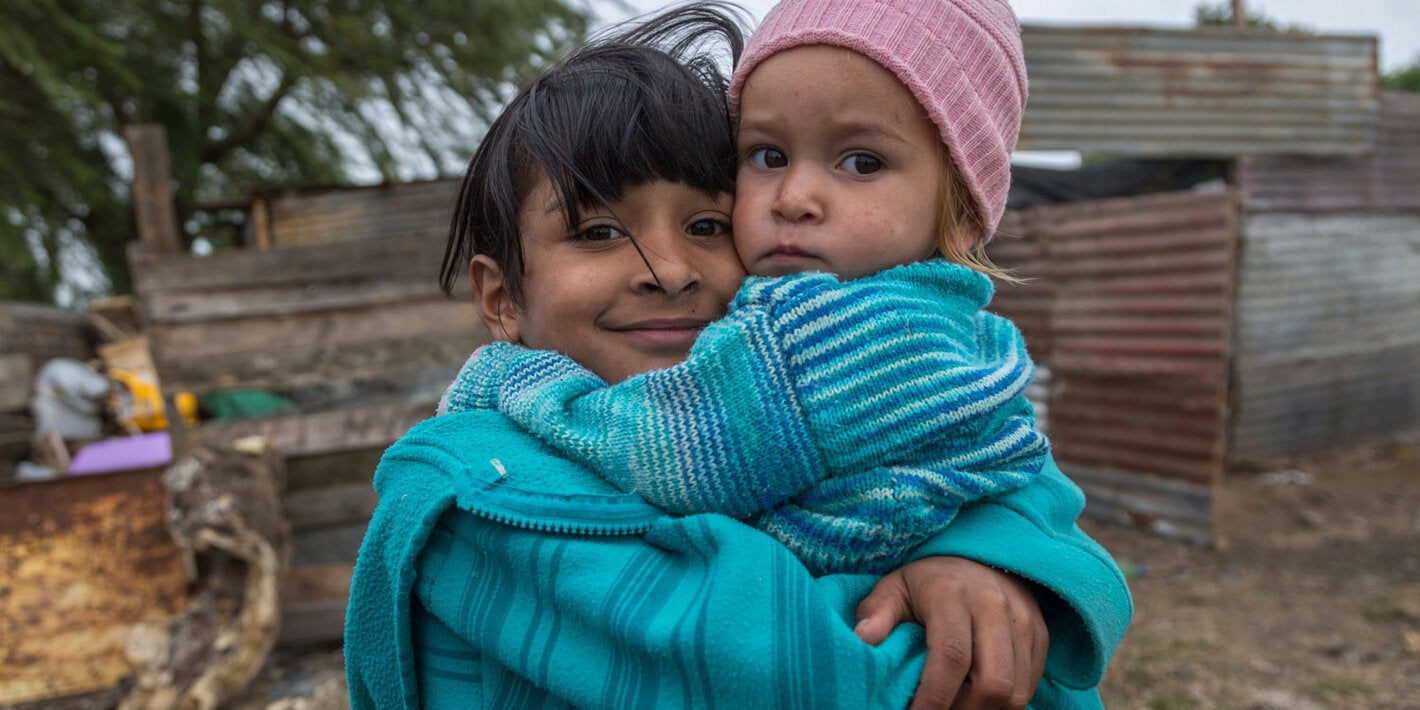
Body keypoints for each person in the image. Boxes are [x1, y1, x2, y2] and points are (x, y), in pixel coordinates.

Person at [346, 4, 1130, 709]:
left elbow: (1023, 478)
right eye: (598, 232)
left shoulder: (814, 387)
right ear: (501, 299)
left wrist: (978, 556)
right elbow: (823, 676)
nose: (671, 271)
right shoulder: (480, 493)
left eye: (706, 227)